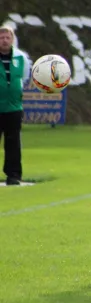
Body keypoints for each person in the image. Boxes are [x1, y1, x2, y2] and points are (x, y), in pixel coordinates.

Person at [0, 26, 30, 186]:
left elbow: (24, 77)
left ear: (12, 39)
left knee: (13, 143)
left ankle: (13, 175)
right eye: (1, 37)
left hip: (14, 107)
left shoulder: (20, 57)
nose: (4, 40)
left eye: (7, 37)